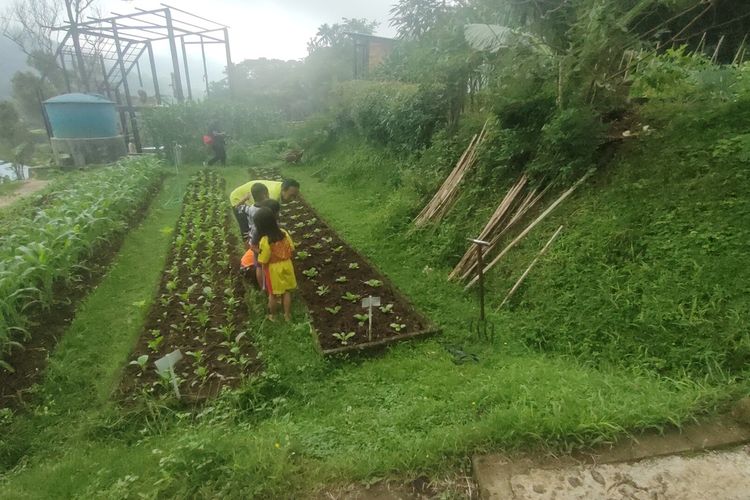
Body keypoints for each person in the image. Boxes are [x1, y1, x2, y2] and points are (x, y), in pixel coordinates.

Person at [254, 207, 297, 322]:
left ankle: (272, 315)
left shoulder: (265, 240)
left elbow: (263, 259)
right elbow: (291, 248)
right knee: (287, 291)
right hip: (287, 265)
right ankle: (287, 315)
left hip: (273, 269)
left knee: (273, 294)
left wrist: (263, 267)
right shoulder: (284, 233)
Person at [230, 178, 300, 235]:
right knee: (247, 231)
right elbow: (266, 218)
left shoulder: (280, 188)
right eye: (292, 195)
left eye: (295, 196)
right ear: (283, 190)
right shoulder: (272, 197)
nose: (293, 199)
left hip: (250, 197)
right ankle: (250, 251)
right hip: (238, 198)